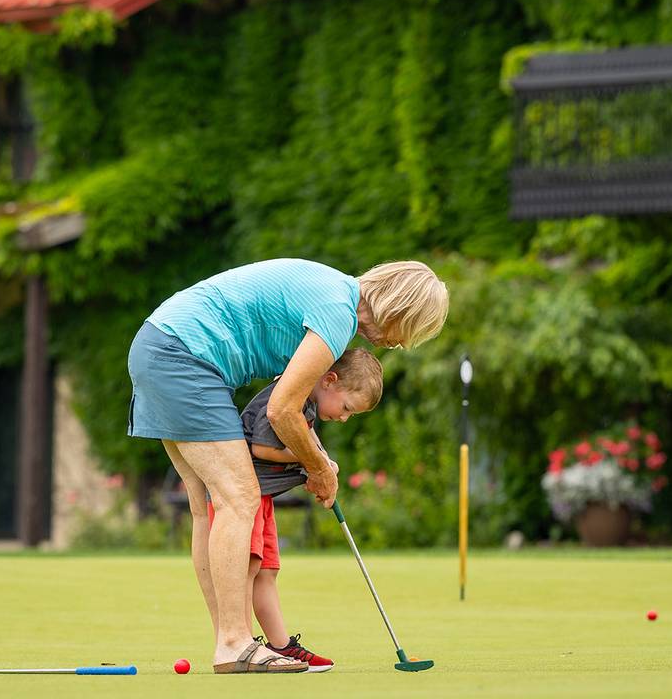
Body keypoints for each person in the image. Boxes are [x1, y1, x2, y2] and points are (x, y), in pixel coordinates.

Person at [127, 259, 448, 673]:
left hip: (160, 343)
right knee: (238, 497)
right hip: (184, 355)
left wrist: (315, 463)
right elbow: (282, 410)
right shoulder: (337, 311)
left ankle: (232, 641)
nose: (400, 344)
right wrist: (320, 468)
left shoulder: (334, 293)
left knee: (205, 505)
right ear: (399, 309)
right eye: (408, 332)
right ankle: (234, 643)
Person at [221, 347, 383, 672]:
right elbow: (263, 447)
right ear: (329, 380)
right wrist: (311, 462)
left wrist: (318, 464)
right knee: (249, 568)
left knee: (267, 571)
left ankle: (281, 647)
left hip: (261, 497)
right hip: (241, 494)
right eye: (347, 407)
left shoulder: (307, 408)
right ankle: (240, 645)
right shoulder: (288, 399)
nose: (343, 416)